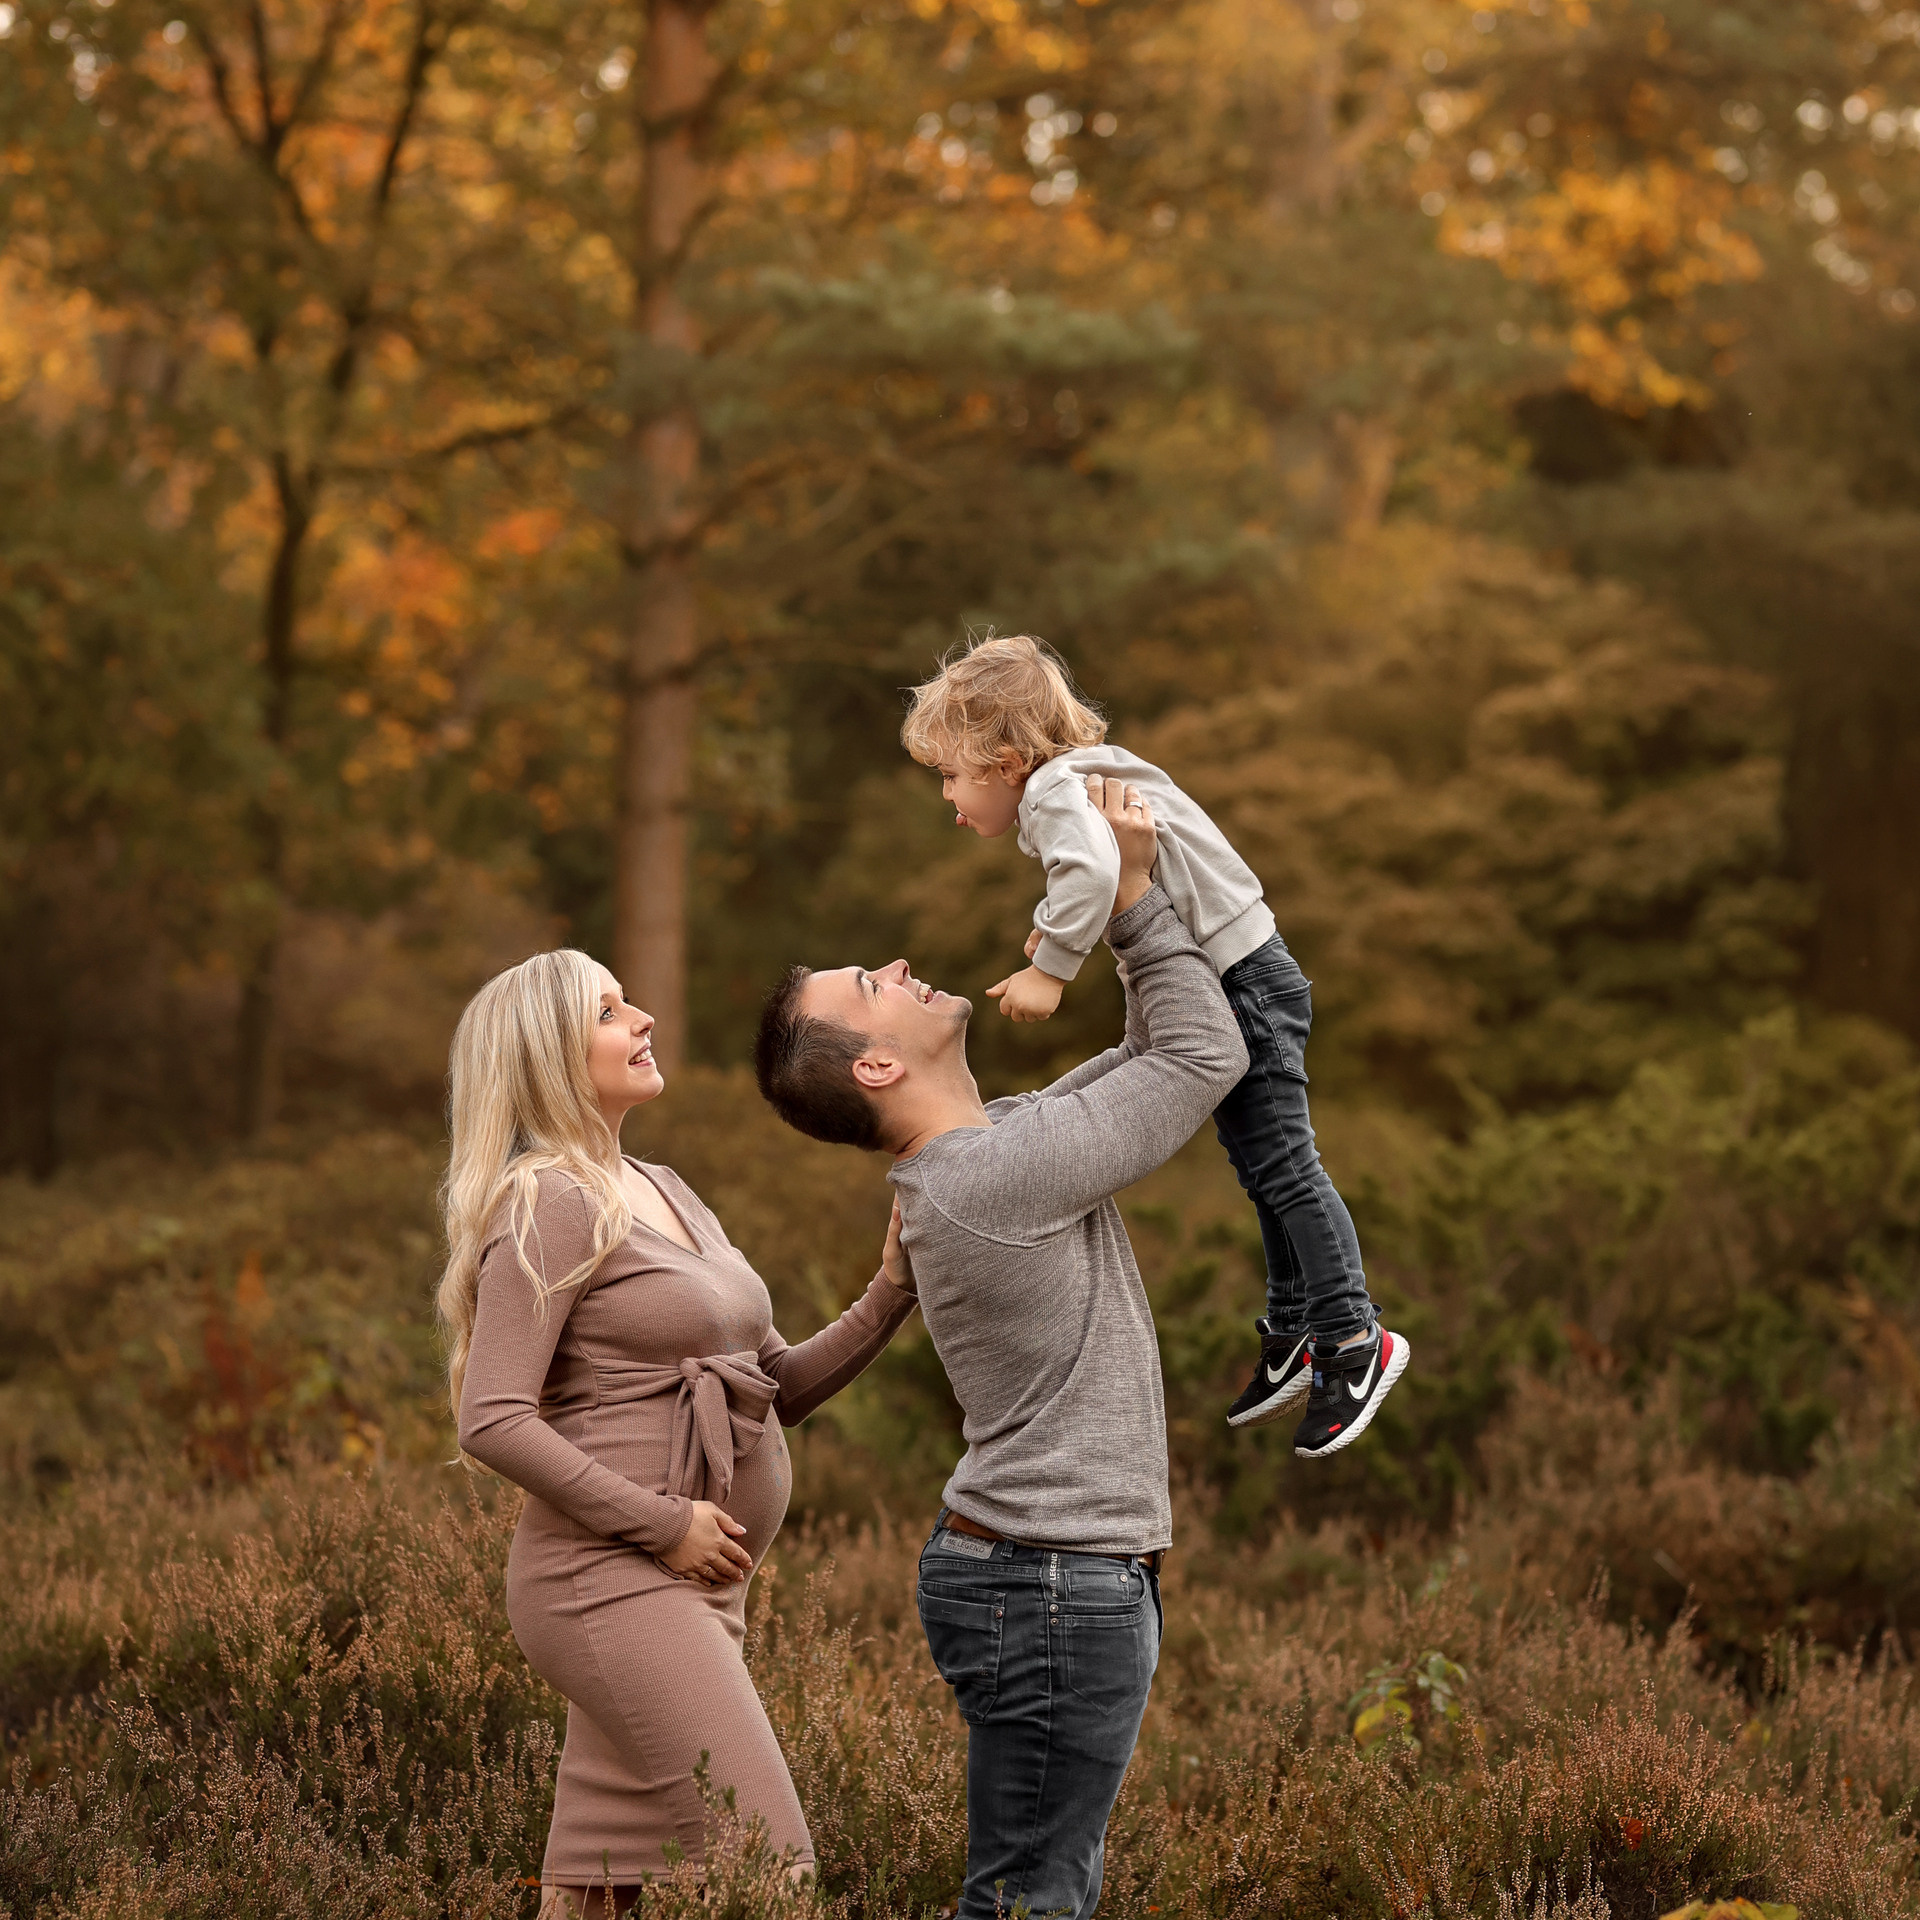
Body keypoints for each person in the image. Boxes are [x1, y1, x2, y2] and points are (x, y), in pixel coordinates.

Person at [753, 775, 1241, 1920]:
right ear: (877, 1066)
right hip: (1050, 1579)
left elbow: (1154, 1046)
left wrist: (1120, 891)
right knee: (1030, 1901)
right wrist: (1128, 903)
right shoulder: (989, 1177)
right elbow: (1201, 1060)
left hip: (1049, 1575)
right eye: (872, 986)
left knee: (1042, 1893)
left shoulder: (1000, 1144)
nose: (899, 965)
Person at [437, 949, 919, 1917]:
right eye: (609, 1012)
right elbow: (491, 1417)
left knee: (609, 1886)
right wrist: (665, 1525)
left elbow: (776, 1387)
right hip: (608, 1580)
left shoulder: (662, 1185)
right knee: (770, 1863)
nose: (644, 1018)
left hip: (695, 1586)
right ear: (547, 1054)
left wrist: (893, 1288)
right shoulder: (550, 1199)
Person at [898, 632, 1409, 1459]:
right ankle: (1296, 1328)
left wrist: (1051, 971)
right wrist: (1053, 931)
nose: (950, 799)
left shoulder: (1054, 791)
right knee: (1262, 1166)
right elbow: (1109, 873)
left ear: (1004, 762)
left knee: (1285, 1165)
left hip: (1244, 979)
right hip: (1244, 972)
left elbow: (1095, 875)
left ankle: (1353, 1336)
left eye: (950, 776)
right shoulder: (1082, 777)